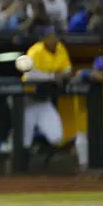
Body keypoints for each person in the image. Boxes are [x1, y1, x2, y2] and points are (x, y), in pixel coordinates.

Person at [20, 26, 68, 156]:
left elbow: (67, 70)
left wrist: (58, 75)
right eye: (49, 36)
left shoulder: (60, 49)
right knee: (23, 143)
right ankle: (17, 166)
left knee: (57, 137)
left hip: (44, 101)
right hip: (27, 102)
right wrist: (52, 76)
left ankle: (40, 152)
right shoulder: (35, 51)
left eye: (55, 36)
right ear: (44, 38)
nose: (53, 39)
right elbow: (30, 75)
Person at [76, 56, 103, 173]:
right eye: (99, 70)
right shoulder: (84, 80)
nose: (101, 72)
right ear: (94, 69)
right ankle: (84, 169)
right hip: (85, 124)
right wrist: (93, 75)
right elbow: (79, 73)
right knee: (81, 139)